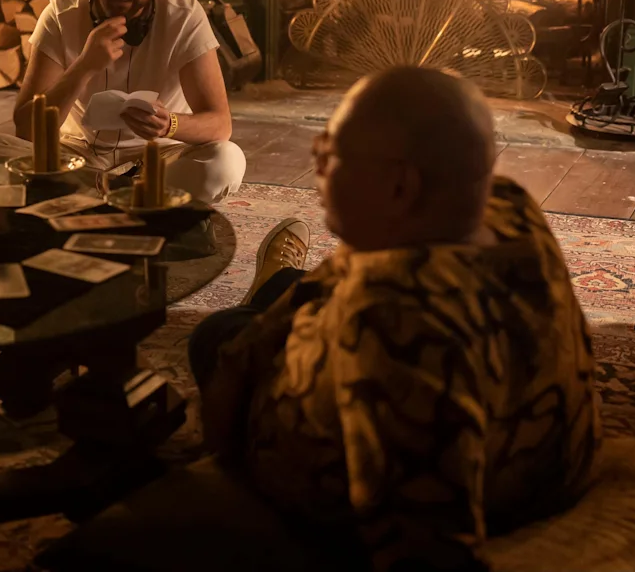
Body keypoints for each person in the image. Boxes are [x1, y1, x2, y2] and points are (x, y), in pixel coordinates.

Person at [191, 67, 600, 571]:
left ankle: (267, 292)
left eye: (332, 151)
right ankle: (276, 285)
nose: (317, 161)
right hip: (543, 464)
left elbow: (425, 548)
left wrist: (238, 381)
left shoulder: (393, 319)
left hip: (322, 485)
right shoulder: (508, 206)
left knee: (215, 333)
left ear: (401, 185)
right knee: (288, 295)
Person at [0, 0, 245, 203]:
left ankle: (95, 198)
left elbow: (220, 124)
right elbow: (26, 128)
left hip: (159, 156)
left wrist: (170, 124)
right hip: (77, 153)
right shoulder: (60, 14)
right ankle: (137, 201)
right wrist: (84, 66)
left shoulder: (184, 14)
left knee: (226, 161)